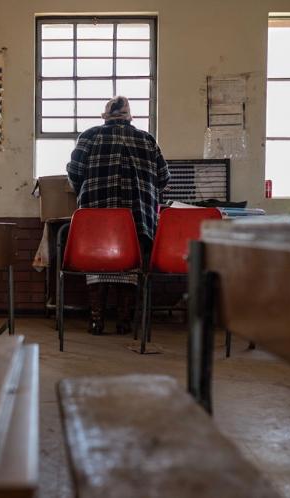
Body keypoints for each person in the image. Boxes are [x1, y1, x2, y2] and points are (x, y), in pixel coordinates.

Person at [66, 96, 170, 335]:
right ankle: (124, 321)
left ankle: (97, 321)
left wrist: (84, 188)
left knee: (96, 264)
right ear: (129, 115)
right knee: (131, 265)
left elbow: (75, 171)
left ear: (105, 115)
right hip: (138, 218)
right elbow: (164, 178)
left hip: (95, 217)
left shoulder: (89, 137)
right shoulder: (147, 139)